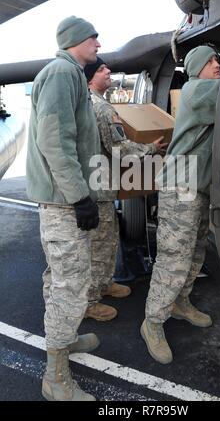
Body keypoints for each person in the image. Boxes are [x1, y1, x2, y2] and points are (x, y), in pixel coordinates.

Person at [26, 16, 102, 401]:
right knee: (71, 284)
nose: (99, 44)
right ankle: (55, 378)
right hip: (63, 201)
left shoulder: (68, 72)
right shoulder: (61, 72)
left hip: (63, 198)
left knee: (60, 277)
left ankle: (65, 339)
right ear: (76, 40)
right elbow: (55, 140)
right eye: (94, 38)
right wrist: (79, 197)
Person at [140, 45, 220, 364]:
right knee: (174, 256)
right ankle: (153, 322)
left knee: (196, 249)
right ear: (198, 67)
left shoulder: (208, 88)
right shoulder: (197, 89)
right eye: (212, 60)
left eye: (218, 59)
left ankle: (180, 302)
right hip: (181, 185)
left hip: (198, 185)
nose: (218, 64)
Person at [83, 57, 168, 321]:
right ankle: (90, 300)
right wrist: (152, 148)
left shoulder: (88, 104)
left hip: (96, 184)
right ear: (89, 79)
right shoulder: (103, 109)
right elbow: (121, 151)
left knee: (106, 240)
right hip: (100, 188)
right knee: (100, 245)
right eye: (101, 69)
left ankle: (104, 284)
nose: (108, 71)